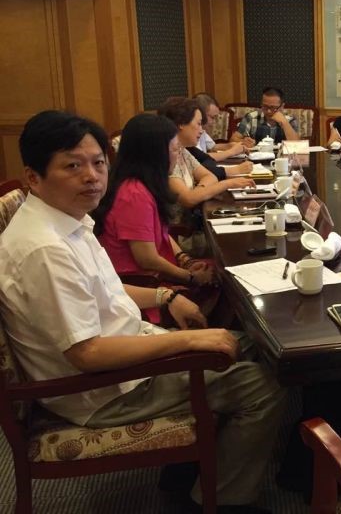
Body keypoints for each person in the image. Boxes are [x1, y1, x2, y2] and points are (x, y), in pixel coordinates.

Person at [0, 110, 286, 512]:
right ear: (33, 177)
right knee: (263, 384)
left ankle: (184, 473)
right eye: (73, 166)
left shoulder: (66, 221)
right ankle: (222, 502)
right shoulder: (45, 249)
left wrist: (166, 298)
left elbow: (106, 289)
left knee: (255, 345)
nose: (92, 176)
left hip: (126, 353)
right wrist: (188, 341)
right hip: (105, 390)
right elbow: (87, 353)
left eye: (98, 163)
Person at [93, 114, 218, 325]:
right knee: (224, 282)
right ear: (155, 154)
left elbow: (161, 233)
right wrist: (188, 277)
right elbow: (147, 259)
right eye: (175, 150)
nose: (178, 155)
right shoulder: (133, 194)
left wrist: (186, 260)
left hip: (156, 275)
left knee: (220, 272)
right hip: (144, 287)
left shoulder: (143, 185)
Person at [157, 97, 254, 224]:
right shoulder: (168, 156)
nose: (202, 130)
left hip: (193, 221)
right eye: (198, 124)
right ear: (181, 124)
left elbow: (210, 176)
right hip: (181, 231)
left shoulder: (182, 151)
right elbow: (188, 199)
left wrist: (198, 192)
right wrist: (227, 184)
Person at [229, 86, 300, 145]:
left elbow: (297, 145)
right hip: (256, 156)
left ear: (282, 106)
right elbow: (233, 140)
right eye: (265, 106)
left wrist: (284, 123)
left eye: (273, 108)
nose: (268, 111)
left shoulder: (290, 120)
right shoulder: (251, 117)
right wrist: (243, 142)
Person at [193, 92, 249, 161]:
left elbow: (213, 147)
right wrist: (231, 152)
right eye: (212, 117)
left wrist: (230, 145)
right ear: (201, 114)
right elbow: (201, 157)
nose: (214, 122)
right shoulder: (191, 133)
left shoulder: (202, 131)